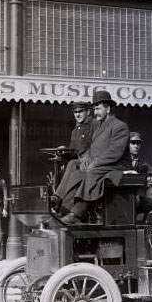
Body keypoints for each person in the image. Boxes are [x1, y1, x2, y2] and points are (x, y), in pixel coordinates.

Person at [57, 90, 131, 224]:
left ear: (108, 109)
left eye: (98, 109)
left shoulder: (120, 126)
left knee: (91, 172)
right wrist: (86, 160)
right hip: (102, 163)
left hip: (116, 166)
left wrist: (95, 163)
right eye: (94, 109)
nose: (95, 112)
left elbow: (114, 153)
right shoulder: (100, 127)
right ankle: (65, 208)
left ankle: (78, 212)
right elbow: (93, 149)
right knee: (76, 169)